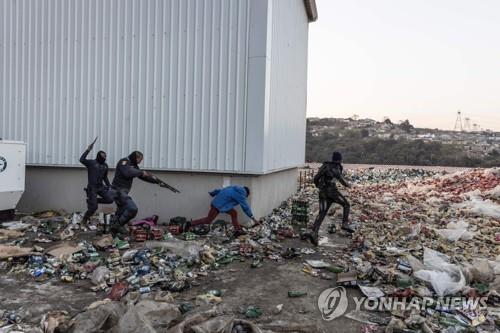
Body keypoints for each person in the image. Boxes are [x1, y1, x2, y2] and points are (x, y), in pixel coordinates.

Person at [110, 151, 159, 235]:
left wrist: (155, 180)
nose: (140, 162)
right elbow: (127, 173)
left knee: (121, 211)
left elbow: (141, 176)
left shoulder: (134, 166)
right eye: (140, 160)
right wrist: (140, 172)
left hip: (124, 192)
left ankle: (113, 232)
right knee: (132, 208)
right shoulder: (124, 162)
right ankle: (118, 226)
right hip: (117, 191)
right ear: (136, 157)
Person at [309, 151, 352, 246]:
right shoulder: (336, 167)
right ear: (339, 159)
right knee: (346, 204)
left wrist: (319, 186)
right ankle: (344, 224)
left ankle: (314, 233)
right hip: (332, 192)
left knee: (322, 213)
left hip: (322, 193)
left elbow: (316, 178)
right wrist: (349, 185)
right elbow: (342, 180)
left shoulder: (325, 166)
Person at [186, 185, 258, 237]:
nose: (245, 198)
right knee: (208, 220)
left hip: (221, 205)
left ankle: (237, 230)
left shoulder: (233, 187)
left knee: (234, 213)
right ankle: (190, 223)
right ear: (246, 194)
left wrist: (213, 193)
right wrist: (253, 218)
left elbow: (220, 190)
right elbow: (245, 207)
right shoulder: (241, 194)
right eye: (246, 196)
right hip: (218, 206)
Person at [79, 141, 114, 224]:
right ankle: (85, 219)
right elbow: (81, 160)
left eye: (105, 156)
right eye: (103, 156)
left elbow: (105, 177)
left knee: (110, 199)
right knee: (94, 207)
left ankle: (92, 200)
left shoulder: (105, 165)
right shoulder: (91, 163)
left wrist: (109, 186)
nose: (104, 158)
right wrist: (88, 150)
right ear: (98, 156)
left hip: (101, 187)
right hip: (92, 188)